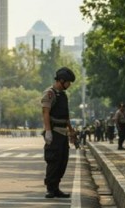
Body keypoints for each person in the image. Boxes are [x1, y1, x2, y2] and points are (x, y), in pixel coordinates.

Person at [41, 67, 76, 198]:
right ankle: (50, 188)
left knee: (62, 161)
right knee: (54, 161)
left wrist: (71, 131)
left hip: (63, 132)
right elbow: (45, 112)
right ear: (61, 80)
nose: (69, 85)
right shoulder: (50, 93)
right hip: (54, 131)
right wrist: (48, 131)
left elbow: (66, 116)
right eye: (68, 82)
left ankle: (56, 187)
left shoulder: (63, 95)